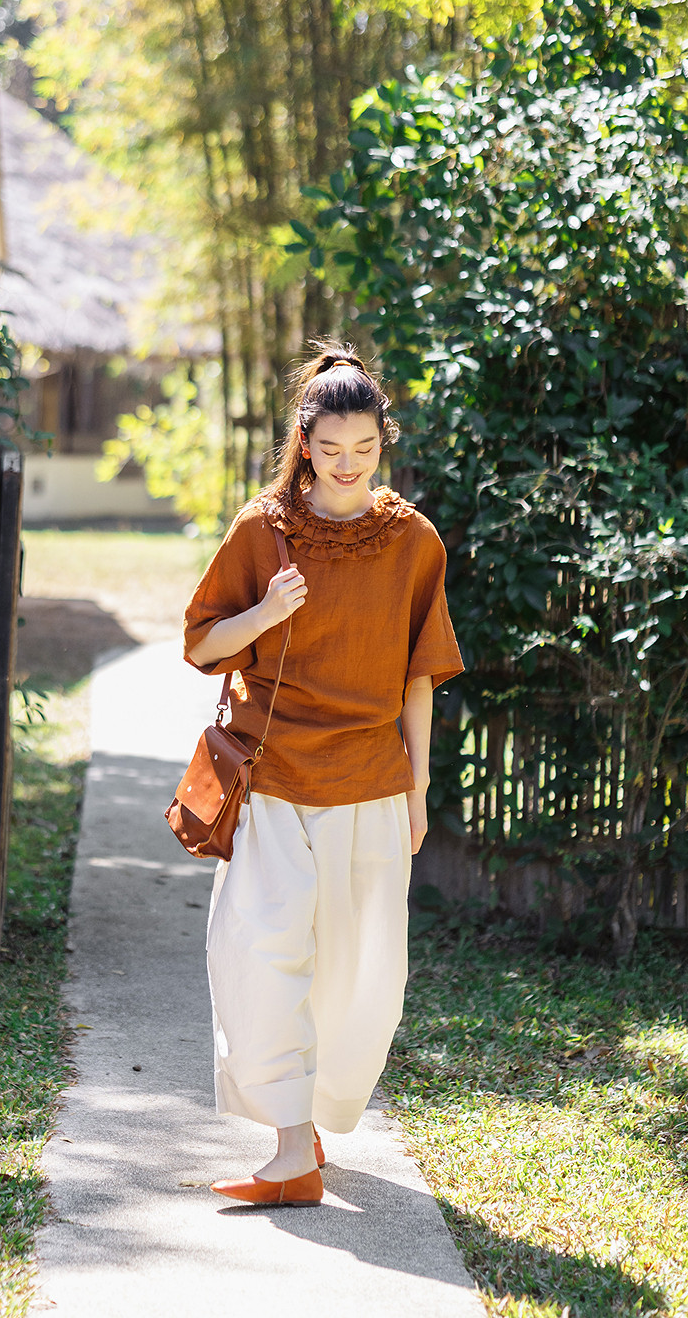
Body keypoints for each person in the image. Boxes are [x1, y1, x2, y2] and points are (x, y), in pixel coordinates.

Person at [183, 341, 463, 1206]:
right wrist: (265, 611)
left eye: (365, 449)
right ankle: (289, 1149)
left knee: (359, 975)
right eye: (331, 448)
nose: (348, 465)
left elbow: (418, 678)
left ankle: (307, 1124)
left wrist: (418, 790)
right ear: (304, 441)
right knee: (258, 955)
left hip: (370, 786)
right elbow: (203, 642)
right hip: (271, 783)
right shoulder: (262, 528)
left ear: (384, 441)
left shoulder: (412, 540)